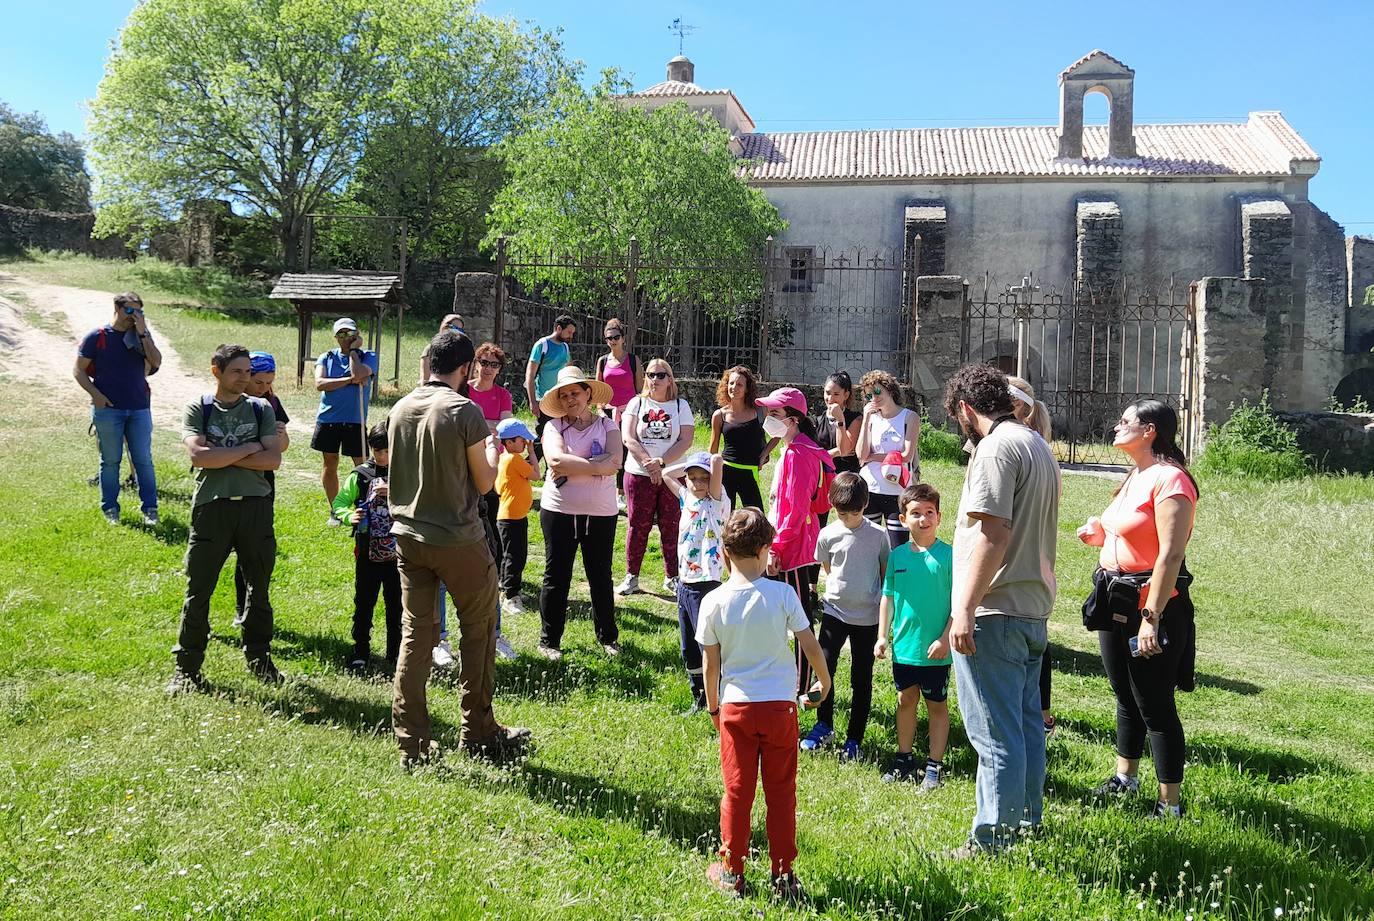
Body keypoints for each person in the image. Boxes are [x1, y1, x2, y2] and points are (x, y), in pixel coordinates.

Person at [387, 329, 528, 769]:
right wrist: (492, 452)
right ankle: (479, 731)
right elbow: (485, 483)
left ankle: (412, 743)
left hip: (409, 536)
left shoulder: (400, 407)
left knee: (416, 636)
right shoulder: (464, 410)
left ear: (431, 361)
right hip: (458, 539)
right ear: (466, 368)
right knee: (479, 630)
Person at [943, 363, 1060, 855]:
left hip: (996, 609)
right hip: (1031, 608)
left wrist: (965, 609)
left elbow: (993, 533)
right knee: (1026, 726)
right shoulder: (1036, 443)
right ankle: (1026, 822)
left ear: (966, 409)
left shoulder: (995, 448)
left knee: (994, 734)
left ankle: (992, 840)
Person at [698, 508, 832, 901]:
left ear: (725, 553)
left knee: (737, 793)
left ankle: (732, 871)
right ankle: (783, 875)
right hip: (780, 709)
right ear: (765, 550)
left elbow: (710, 665)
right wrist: (824, 682)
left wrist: (713, 708)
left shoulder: (713, 601)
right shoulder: (783, 594)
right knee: (781, 793)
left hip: (735, 709)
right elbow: (810, 644)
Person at [1077, 400, 1198, 819]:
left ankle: (1170, 804)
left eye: (1125, 421)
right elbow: (1134, 535)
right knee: (1125, 695)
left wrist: (1152, 618)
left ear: (1149, 431)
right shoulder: (1137, 474)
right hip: (1115, 597)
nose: (1117, 426)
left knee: (1155, 704)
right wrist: (1100, 536)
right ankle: (1125, 778)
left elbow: (1170, 555)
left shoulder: (1172, 481)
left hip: (1151, 606)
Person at [166, 344, 284, 695]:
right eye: (237, 371)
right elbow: (199, 457)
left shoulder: (261, 408)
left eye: (248, 372)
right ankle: (187, 669)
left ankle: (260, 659)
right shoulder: (200, 408)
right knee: (198, 591)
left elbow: (272, 461)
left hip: (255, 507)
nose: (244, 378)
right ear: (216, 370)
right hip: (211, 508)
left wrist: (222, 455)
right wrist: (248, 448)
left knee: (258, 589)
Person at [535, 366, 622, 660]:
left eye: (575, 392)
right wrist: (598, 466)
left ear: (588, 393)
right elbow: (556, 461)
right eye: (564, 395)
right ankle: (549, 641)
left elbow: (616, 461)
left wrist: (576, 466)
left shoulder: (608, 425)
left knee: (601, 576)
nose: (570, 398)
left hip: (601, 513)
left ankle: (608, 638)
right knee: (556, 576)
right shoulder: (553, 426)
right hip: (559, 511)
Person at [803, 472, 889, 761]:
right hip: (834, 613)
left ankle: (854, 739)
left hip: (867, 618)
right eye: (842, 513)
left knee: (861, 679)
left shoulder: (879, 536)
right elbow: (828, 568)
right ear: (832, 505)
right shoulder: (827, 534)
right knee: (824, 670)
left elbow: (883, 574)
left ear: (865, 505)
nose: (849, 519)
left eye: (855, 512)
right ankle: (824, 725)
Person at [874, 483, 954, 790]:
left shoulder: (949, 556)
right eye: (916, 513)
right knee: (905, 700)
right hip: (904, 648)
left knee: (937, 705)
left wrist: (945, 638)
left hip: (936, 651)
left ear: (939, 517)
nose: (923, 519)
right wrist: (882, 636)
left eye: (929, 512)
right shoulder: (897, 556)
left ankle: (934, 766)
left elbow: (959, 604)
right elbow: (888, 597)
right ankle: (904, 759)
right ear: (903, 519)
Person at [755, 386, 834, 697]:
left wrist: (776, 548)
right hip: (786, 544)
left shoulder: (799, 454)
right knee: (780, 616)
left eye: (775, 413)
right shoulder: (792, 449)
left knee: (800, 621)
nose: (768, 417)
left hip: (793, 549)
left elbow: (796, 510)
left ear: (794, 419)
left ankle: (802, 687)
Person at [74, 291, 162, 525]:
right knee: (110, 461)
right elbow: (79, 370)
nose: (134, 316)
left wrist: (143, 332)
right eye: (130, 310)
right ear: (117, 308)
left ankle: (150, 509)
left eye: (139, 311)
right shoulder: (97, 336)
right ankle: (110, 509)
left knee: (143, 460)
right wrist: (96, 395)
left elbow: (156, 361)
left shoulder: (141, 336)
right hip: (108, 410)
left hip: (139, 408)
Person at [618, 359, 695, 596]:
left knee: (671, 526)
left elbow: (686, 440)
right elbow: (628, 437)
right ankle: (632, 576)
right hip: (639, 473)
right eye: (650, 375)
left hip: (672, 475)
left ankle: (672, 576)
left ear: (670, 379)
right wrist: (649, 464)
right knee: (637, 526)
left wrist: (660, 463)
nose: (654, 380)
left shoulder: (681, 406)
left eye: (660, 375)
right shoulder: (637, 402)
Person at [662, 451, 729, 714]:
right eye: (692, 478)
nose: (698, 483)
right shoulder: (686, 498)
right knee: (688, 647)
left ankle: (719, 697)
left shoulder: (717, 502)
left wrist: (708, 462)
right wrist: (689, 464)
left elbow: (717, 462)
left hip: (706, 584)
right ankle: (698, 696)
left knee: (707, 645)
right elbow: (666, 473)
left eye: (704, 478)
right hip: (684, 583)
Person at [1007, 374, 1056, 734]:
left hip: (1018, 553)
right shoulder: (1029, 443)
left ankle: (1039, 714)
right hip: (1032, 552)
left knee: (1030, 639)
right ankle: (1037, 713)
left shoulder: (1021, 444)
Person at [332, 422, 402, 673]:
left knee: (397, 605)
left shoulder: (405, 473)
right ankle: (360, 650)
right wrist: (348, 515)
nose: (382, 456)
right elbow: (340, 502)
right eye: (377, 451)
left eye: (387, 450)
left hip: (398, 554)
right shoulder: (360, 475)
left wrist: (393, 492)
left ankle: (395, 653)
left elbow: (419, 500)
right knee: (364, 602)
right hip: (367, 551)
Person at [234, 351, 292, 626]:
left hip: (263, 484)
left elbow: (281, 449)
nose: (264, 388)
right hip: (232, 483)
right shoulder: (232, 403)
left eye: (269, 382)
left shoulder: (272, 402)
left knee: (254, 550)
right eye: (259, 382)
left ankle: (246, 610)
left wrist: (279, 438)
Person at [313, 317, 377, 518]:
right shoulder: (326, 357)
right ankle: (336, 510)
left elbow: (359, 373)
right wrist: (350, 380)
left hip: (355, 420)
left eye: (350, 333)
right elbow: (320, 384)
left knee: (363, 466)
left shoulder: (368, 356)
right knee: (330, 463)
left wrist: (354, 352)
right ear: (336, 337)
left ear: (357, 335)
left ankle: (365, 507)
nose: (346, 337)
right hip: (328, 419)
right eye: (341, 334)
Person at [855, 370, 920, 549]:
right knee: (869, 545)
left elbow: (906, 455)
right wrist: (866, 418)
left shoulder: (909, 417)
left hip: (897, 490)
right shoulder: (872, 418)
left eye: (877, 392)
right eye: (869, 395)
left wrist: (873, 457)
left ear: (890, 390)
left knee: (898, 546)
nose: (874, 398)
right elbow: (861, 454)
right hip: (871, 488)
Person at [468, 342, 515, 579]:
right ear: (476, 364)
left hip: (494, 461)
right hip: (466, 458)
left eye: (494, 365)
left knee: (492, 515)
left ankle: (495, 568)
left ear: (499, 369)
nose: (488, 368)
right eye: (484, 362)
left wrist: (477, 422)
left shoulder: (503, 395)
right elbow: (496, 427)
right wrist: (490, 425)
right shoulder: (463, 390)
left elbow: (505, 429)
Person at [709, 366, 776, 511]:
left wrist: (764, 454)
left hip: (750, 471)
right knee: (725, 516)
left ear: (747, 389)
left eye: (739, 384)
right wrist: (710, 475)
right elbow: (713, 451)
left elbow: (779, 433)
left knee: (757, 516)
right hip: (726, 471)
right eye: (731, 383)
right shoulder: (719, 415)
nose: (734, 387)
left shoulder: (760, 411)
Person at [594, 318, 643, 506]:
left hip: (629, 413)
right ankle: (605, 488)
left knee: (626, 451)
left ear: (623, 338)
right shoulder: (602, 361)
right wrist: (599, 409)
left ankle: (622, 491)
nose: (612, 341)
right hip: (607, 413)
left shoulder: (633, 360)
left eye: (616, 337)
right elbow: (597, 389)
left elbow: (640, 390)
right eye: (609, 338)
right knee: (607, 451)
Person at [495, 418, 537, 616]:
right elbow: (536, 474)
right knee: (515, 557)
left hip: (512, 516)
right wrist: (533, 452)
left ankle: (509, 590)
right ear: (510, 442)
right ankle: (511, 596)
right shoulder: (513, 459)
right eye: (522, 440)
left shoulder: (505, 458)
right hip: (512, 517)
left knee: (511, 555)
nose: (526, 443)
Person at [524, 314, 577, 462]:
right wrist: (532, 401)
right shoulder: (542, 345)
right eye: (569, 332)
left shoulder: (565, 347)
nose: (571, 336)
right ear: (559, 328)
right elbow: (530, 375)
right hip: (544, 400)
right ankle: (527, 466)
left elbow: (569, 371)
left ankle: (551, 468)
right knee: (543, 436)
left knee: (559, 436)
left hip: (562, 399)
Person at [814, 370, 862, 479]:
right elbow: (811, 452)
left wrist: (840, 419)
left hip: (846, 478)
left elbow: (844, 450)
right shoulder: (817, 420)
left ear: (846, 395)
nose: (830, 399)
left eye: (836, 394)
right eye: (828, 393)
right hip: (823, 476)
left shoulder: (855, 419)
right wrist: (834, 453)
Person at [419, 314, 465, 382]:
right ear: (444, 327)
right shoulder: (430, 350)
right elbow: (425, 379)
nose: (456, 332)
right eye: (454, 328)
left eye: (460, 330)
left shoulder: (462, 352)